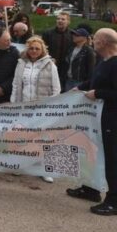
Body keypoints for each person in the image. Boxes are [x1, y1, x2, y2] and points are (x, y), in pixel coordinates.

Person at [68, 29, 117, 215]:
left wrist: (98, 94)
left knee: (112, 159)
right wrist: (80, 88)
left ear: (103, 42)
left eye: (95, 38)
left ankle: (114, 200)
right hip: (96, 120)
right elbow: (95, 81)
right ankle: (91, 189)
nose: (92, 41)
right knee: (92, 154)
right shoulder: (104, 62)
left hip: (112, 121)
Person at [10, 36, 60, 183]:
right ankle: (21, 165)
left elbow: (56, 89)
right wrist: (14, 104)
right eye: (31, 48)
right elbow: (16, 85)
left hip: (42, 109)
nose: (34, 51)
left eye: (37, 48)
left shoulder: (50, 65)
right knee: (23, 137)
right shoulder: (21, 64)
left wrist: (50, 107)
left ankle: (44, 169)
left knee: (44, 139)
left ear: (42, 50)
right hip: (24, 106)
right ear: (27, 49)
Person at [41, 11, 73, 88]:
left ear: (68, 22)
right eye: (58, 19)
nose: (60, 21)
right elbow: (43, 49)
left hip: (66, 67)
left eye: (63, 19)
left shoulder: (72, 34)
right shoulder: (48, 33)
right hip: (50, 64)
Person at [64, 27, 96, 92]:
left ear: (84, 37)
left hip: (80, 82)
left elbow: (91, 70)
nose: (74, 36)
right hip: (69, 80)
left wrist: (87, 85)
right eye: (73, 34)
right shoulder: (71, 49)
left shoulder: (89, 51)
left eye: (77, 35)